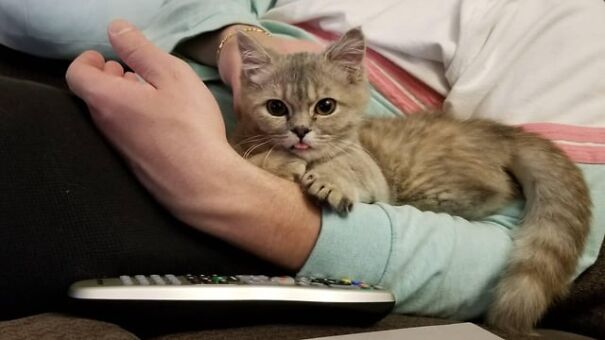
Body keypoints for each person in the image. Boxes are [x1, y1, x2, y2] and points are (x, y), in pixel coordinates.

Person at [1, 0, 604, 329]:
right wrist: (226, 33)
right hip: (139, 94)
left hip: (237, 185)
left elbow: (517, 248)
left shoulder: (568, 18)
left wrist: (222, 190)